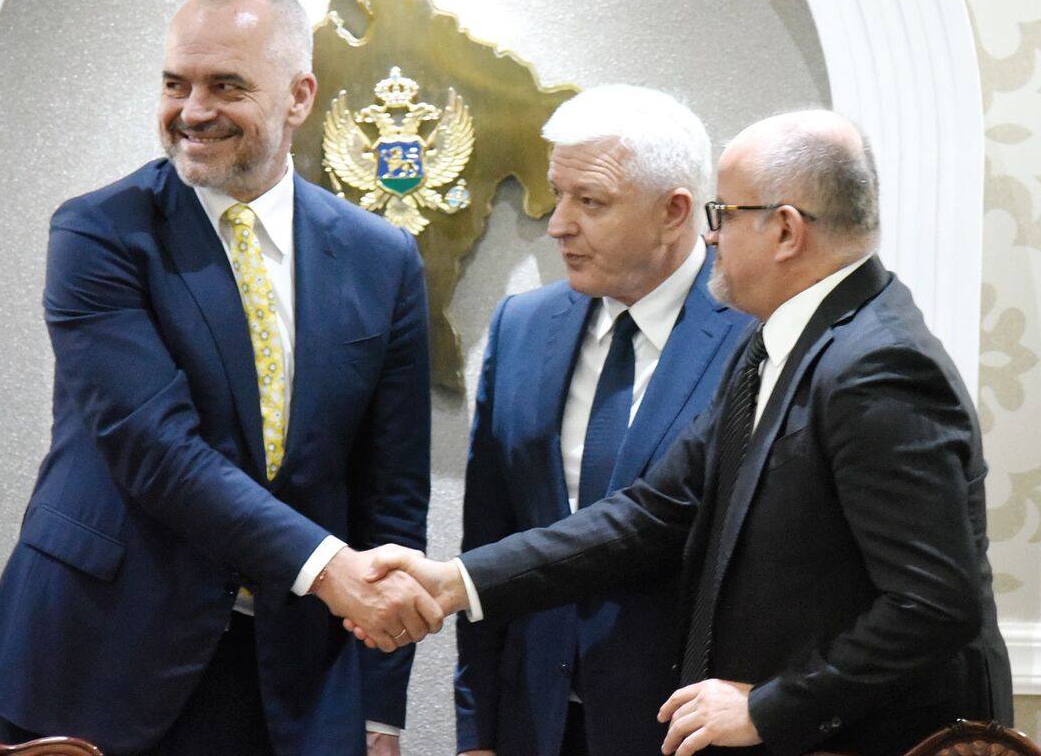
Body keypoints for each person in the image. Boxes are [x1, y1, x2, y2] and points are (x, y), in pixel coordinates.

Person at [362, 110, 1014, 756]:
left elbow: (934, 605)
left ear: (785, 230)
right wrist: (455, 581)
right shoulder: (777, 342)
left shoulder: (879, 366)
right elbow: (653, 510)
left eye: (723, 214)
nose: (710, 236)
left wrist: (769, 706)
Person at [0, 0, 439, 756]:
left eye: (226, 86)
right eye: (174, 83)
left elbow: (392, 492)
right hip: (101, 655)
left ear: (299, 97)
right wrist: (328, 570)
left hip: (292, 678)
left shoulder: (381, 259)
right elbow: (156, 449)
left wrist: (380, 705)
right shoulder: (99, 234)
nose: (192, 110)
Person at [456, 85, 748, 756]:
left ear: (674, 212)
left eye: (590, 202)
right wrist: (476, 731)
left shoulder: (753, 337)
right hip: (534, 724)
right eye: (558, 195)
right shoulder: (522, 326)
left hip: (680, 729)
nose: (558, 224)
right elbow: (490, 535)